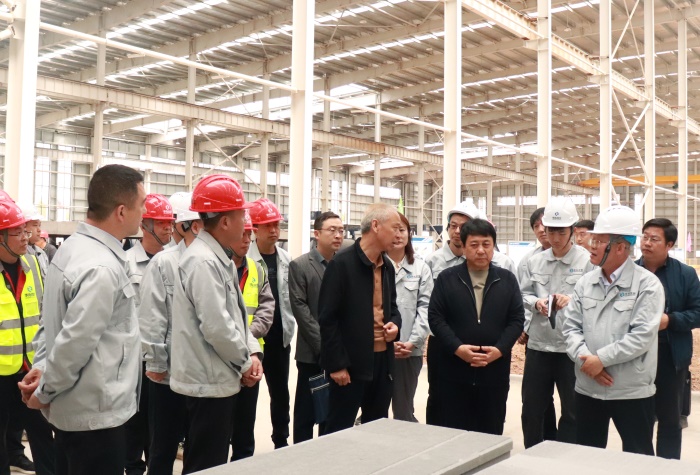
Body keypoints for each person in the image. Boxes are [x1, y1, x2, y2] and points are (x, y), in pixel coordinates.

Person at [20, 164, 146, 475]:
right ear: (121, 211)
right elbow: (75, 343)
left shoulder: (73, 249)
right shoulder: (101, 267)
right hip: (95, 419)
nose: (144, 212)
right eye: (141, 204)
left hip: (77, 414)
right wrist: (44, 391)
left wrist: (42, 367)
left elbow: (52, 324)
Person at [170, 175, 262, 474]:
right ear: (224, 222)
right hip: (207, 383)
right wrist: (244, 363)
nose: (245, 222)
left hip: (216, 377)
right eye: (241, 215)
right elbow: (217, 326)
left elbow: (235, 316)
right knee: (205, 464)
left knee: (209, 460)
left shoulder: (216, 257)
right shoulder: (204, 262)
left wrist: (250, 352)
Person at [563, 205, 664, 456]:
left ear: (620, 247)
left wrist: (601, 360)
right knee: (588, 457)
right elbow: (570, 327)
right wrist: (587, 362)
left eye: (598, 241)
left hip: (631, 391)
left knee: (638, 458)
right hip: (588, 387)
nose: (591, 246)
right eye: (592, 240)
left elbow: (641, 336)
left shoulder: (647, 285)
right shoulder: (585, 282)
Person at [427, 218, 524, 434]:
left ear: (493, 246)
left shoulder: (507, 279)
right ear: (463, 246)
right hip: (454, 370)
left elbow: (517, 319)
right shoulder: (447, 278)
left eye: (486, 244)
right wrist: (457, 348)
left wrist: (500, 350)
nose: (481, 250)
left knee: (490, 429)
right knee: (452, 429)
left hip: (494, 371)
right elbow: (435, 317)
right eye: (474, 244)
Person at [319, 203, 402, 433]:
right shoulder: (341, 265)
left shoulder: (387, 267)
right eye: (395, 228)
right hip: (350, 365)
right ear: (375, 225)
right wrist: (337, 364)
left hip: (382, 363)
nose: (398, 235)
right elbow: (327, 319)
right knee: (339, 430)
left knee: (376, 429)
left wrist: (395, 325)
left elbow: (393, 308)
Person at [519, 198, 594, 448]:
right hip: (539, 347)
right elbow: (523, 293)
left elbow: (595, 300)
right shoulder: (534, 261)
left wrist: (572, 300)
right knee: (532, 408)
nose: (555, 237)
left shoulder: (587, 262)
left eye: (561, 232)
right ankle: (533, 453)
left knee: (573, 410)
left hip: (571, 349)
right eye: (551, 231)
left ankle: (565, 457)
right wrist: (536, 303)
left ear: (573, 230)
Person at [138, 192, 201, 475]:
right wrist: (156, 362)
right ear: (184, 225)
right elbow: (152, 317)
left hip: (200, 373)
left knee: (195, 447)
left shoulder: (214, 260)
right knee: (163, 446)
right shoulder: (164, 263)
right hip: (169, 375)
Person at [635, 218, 700, 459]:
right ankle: (640, 465)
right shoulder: (629, 273)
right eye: (644, 237)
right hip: (635, 356)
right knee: (638, 418)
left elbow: (698, 312)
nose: (647, 243)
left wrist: (670, 320)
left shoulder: (685, 274)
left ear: (669, 245)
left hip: (671, 358)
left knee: (670, 420)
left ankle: (668, 467)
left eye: (654, 239)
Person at [0, 197, 55, 475]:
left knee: (43, 433)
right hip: (1, 372)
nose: (25, 237)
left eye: (25, 230)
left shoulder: (32, 264)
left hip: (30, 369)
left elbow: (45, 314)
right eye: (17, 232)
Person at [124, 194, 174, 475]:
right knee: (134, 423)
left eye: (170, 222)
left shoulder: (176, 261)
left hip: (166, 358)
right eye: (161, 222)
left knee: (161, 429)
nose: (168, 227)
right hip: (135, 358)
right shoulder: (126, 263)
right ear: (145, 225)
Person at [288, 211, 344, 443]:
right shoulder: (300, 266)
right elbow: (301, 310)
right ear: (317, 234)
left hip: (341, 354)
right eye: (332, 230)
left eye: (341, 230)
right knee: (306, 413)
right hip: (312, 353)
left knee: (331, 414)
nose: (338, 235)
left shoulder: (344, 265)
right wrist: (326, 346)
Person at [247, 198, 295, 449]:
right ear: (255, 229)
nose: (274, 230)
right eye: (268, 226)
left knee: (280, 394)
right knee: (247, 396)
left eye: (276, 225)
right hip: (252, 340)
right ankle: (243, 444)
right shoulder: (243, 259)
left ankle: (281, 440)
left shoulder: (286, 259)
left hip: (279, 339)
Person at [229, 211, 275, 461]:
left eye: (249, 234)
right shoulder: (215, 267)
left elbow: (267, 310)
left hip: (251, 357)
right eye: (242, 234)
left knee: (245, 428)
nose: (247, 240)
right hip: (223, 356)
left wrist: (246, 336)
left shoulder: (257, 269)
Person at [387, 213, 433, 422]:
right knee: (373, 407)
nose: (398, 235)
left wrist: (413, 341)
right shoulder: (374, 265)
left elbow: (426, 308)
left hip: (409, 350)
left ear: (409, 234)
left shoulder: (421, 268)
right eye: (393, 229)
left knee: (404, 410)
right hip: (379, 348)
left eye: (402, 230)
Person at [17, 203, 48, 276]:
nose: (39, 230)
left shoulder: (41, 253)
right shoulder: (16, 254)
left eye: (39, 225)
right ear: (22, 227)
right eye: (35, 225)